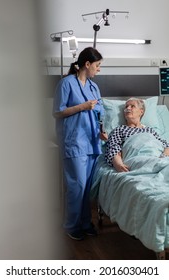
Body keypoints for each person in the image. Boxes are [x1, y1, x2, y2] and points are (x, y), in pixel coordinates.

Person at [53, 47, 108, 240]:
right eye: (97, 65)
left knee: (87, 187)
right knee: (76, 185)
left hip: (92, 142)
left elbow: (99, 112)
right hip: (74, 141)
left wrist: (101, 131)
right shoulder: (66, 84)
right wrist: (82, 107)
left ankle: (85, 223)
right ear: (87, 64)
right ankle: (71, 225)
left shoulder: (94, 87)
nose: (99, 69)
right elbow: (58, 112)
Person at [105, 97, 169, 172]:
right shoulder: (120, 129)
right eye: (126, 106)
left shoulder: (150, 130)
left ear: (141, 112)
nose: (128, 108)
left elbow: (166, 146)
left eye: (132, 106)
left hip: (157, 157)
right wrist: (118, 164)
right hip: (136, 159)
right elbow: (114, 149)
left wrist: (163, 157)